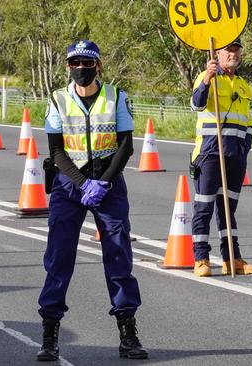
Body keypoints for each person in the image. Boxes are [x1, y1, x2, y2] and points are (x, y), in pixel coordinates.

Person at [36, 39, 148, 361]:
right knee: (59, 258)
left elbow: (125, 147)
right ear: (68, 67)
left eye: (87, 64)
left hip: (108, 185)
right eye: (75, 64)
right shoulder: (57, 100)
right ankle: (50, 334)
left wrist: (103, 182)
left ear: (98, 65)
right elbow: (57, 150)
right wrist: (83, 182)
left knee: (118, 257)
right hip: (70, 187)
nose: (81, 69)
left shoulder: (117, 97)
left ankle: (128, 334)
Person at [189, 39, 252, 277]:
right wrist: (208, 79)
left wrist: (245, 147)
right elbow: (197, 105)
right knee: (204, 206)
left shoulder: (242, 84)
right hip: (209, 153)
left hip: (236, 155)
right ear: (217, 53)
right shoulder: (206, 76)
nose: (233, 53)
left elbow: (248, 121)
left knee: (228, 209)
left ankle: (232, 258)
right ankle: (201, 258)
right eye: (229, 49)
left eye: (237, 49)